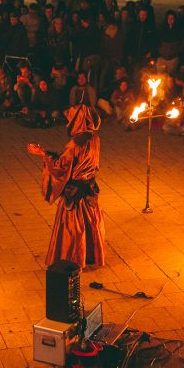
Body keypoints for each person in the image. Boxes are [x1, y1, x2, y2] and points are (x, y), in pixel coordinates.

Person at [27, 104, 105, 269]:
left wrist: (43, 154)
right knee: (90, 224)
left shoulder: (74, 144)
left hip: (76, 193)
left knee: (74, 229)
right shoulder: (94, 138)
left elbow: (61, 166)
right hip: (89, 189)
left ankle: (74, 258)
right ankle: (91, 257)